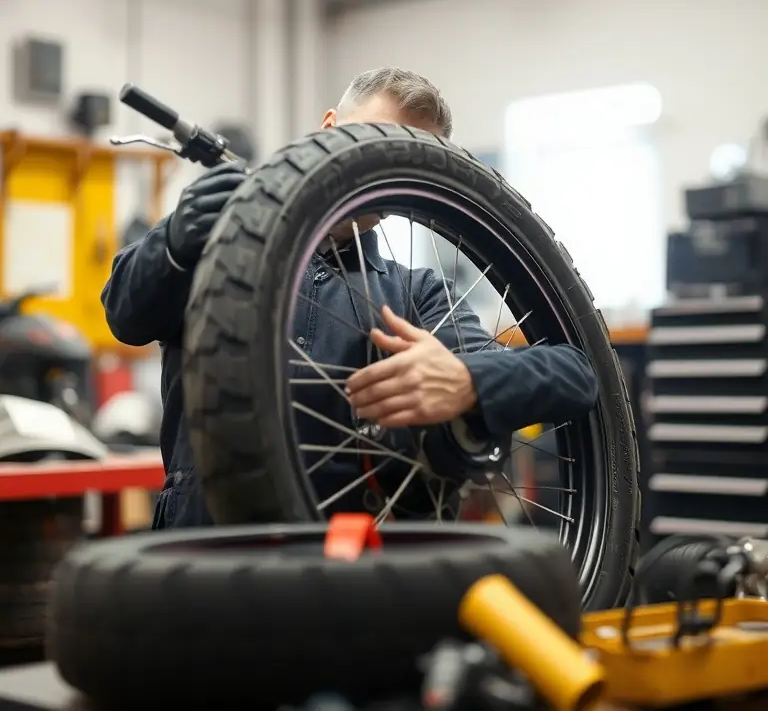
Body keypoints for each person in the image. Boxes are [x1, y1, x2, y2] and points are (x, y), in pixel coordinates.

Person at [102, 68, 597, 528]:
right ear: (327, 128)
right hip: (205, 546)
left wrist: (469, 379)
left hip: (355, 573)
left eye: (404, 158)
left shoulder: (415, 293)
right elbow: (125, 317)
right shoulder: (219, 250)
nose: (376, 167)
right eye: (367, 139)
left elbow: (576, 374)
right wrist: (170, 245)